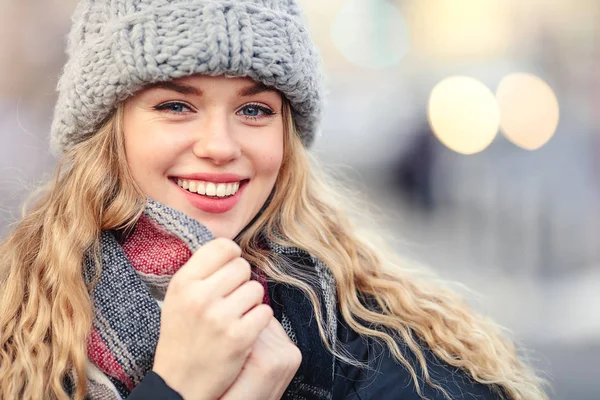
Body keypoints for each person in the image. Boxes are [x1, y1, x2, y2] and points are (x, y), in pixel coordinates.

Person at [0, 1, 548, 399]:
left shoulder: (393, 354)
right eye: (175, 106)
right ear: (107, 129)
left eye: (255, 110)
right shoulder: (16, 324)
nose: (220, 146)